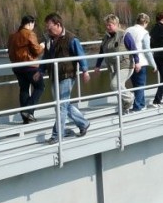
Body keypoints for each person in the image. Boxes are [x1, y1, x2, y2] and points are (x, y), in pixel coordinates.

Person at [41, 12, 91, 144]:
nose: (48, 30)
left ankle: (57, 134)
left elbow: (80, 55)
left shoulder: (71, 39)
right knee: (64, 104)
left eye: (50, 27)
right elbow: (46, 57)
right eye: (47, 28)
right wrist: (40, 71)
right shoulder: (49, 40)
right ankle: (83, 123)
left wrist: (85, 70)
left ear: (58, 25)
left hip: (67, 75)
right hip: (54, 75)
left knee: (61, 106)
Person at [92, 14, 135, 113]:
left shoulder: (125, 35)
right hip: (112, 67)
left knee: (114, 85)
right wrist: (97, 66)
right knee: (118, 90)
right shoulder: (106, 37)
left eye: (110, 25)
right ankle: (124, 109)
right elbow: (102, 52)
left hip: (125, 65)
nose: (108, 27)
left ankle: (129, 98)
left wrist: (137, 62)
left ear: (117, 24)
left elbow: (133, 49)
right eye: (106, 25)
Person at [8, 14, 45, 123]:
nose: (34, 26)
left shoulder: (13, 36)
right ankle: (28, 111)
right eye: (33, 24)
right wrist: (42, 46)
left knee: (24, 89)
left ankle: (26, 117)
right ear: (30, 23)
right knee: (40, 86)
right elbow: (36, 50)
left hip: (17, 67)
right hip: (30, 66)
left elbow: (10, 51)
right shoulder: (29, 34)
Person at [124, 13, 154, 112]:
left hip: (129, 61)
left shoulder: (128, 30)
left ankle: (142, 104)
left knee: (135, 85)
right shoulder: (144, 32)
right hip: (141, 61)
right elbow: (147, 50)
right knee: (140, 85)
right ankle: (137, 107)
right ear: (145, 22)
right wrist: (153, 64)